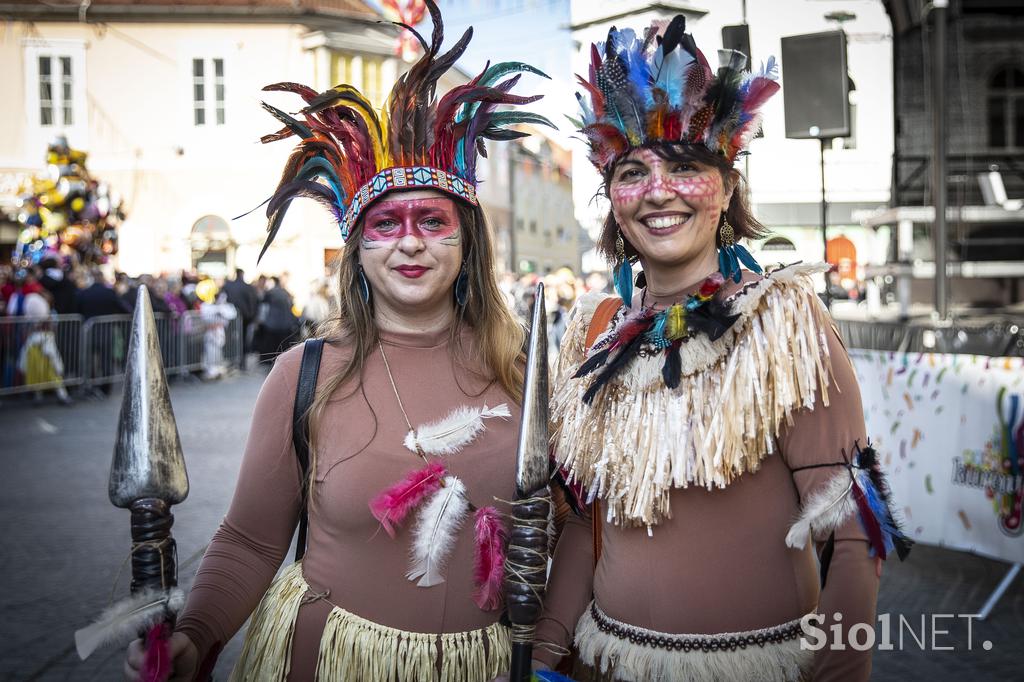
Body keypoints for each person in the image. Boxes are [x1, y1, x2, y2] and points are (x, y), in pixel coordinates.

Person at [123, 2, 549, 679]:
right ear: (356, 251)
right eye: (385, 224)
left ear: (467, 243)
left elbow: (575, 534)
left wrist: (549, 659)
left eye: (432, 219)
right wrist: (196, 635)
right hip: (330, 661)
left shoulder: (527, 373)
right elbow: (248, 539)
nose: (409, 241)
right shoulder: (305, 374)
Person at [533, 18, 910, 682]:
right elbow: (579, 525)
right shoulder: (591, 333)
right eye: (631, 172)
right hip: (604, 665)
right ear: (611, 201)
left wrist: (840, 673)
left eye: (685, 168)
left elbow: (854, 535)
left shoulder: (783, 321)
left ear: (730, 189)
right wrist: (545, 657)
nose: (657, 191)